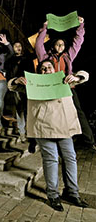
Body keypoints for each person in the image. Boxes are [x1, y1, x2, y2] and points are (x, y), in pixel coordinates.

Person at [8, 59, 89, 211]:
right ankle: (53, 195)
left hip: (63, 127)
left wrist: (77, 77)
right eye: (43, 69)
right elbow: (11, 86)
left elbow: (85, 75)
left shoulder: (63, 79)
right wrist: (15, 80)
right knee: (50, 159)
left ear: (54, 69)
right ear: (39, 72)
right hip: (43, 127)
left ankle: (72, 193)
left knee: (70, 158)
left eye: (49, 67)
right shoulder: (32, 84)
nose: (46, 70)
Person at [35, 16, 95, 150]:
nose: (60, 47)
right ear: (53, 45)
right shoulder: (45, 57)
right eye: (57, 44)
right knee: (44, 113)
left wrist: (80, 27)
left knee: (78, 112)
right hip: (50, 89)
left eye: (62, 45)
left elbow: (77, 42)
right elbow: (38, 44)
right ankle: (37, 141)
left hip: (66, 88)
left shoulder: (68, 56)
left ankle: (89, 140)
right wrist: (44, 28)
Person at [5, 41, 36, 141]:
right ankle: (22, 131)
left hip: (28, 86)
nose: (18, 48)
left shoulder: (27, 58)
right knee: (20, 109)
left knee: (28, 109)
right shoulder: (10, 60)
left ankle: (29, 131)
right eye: (16, 46)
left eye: (20, 46)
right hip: (16, 87)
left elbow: (32, 71)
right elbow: (9, 73)